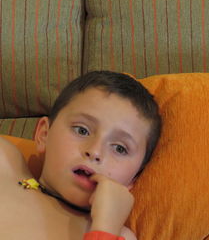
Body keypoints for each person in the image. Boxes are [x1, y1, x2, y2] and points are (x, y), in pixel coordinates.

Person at [0, 71, 162, 240]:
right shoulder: (5, 161)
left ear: (133, 180)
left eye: (120, 148)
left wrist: (105, 226)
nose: (95, 151)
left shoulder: (119, 234)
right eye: (82, 130)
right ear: (44, 134)